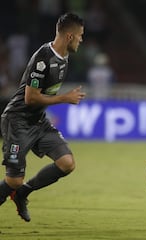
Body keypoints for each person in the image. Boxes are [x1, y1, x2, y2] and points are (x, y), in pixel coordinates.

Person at [0, 13, 85, 222]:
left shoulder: (64, 57)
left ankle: (22, 194)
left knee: (67, 163)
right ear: (69, 36)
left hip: (38, 122)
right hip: (17, 121)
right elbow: (30, 98)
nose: (82, 40)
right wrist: (65, 98)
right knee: (13, 180)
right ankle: (16, 190)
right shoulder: (43, 58)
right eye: (80, 36)